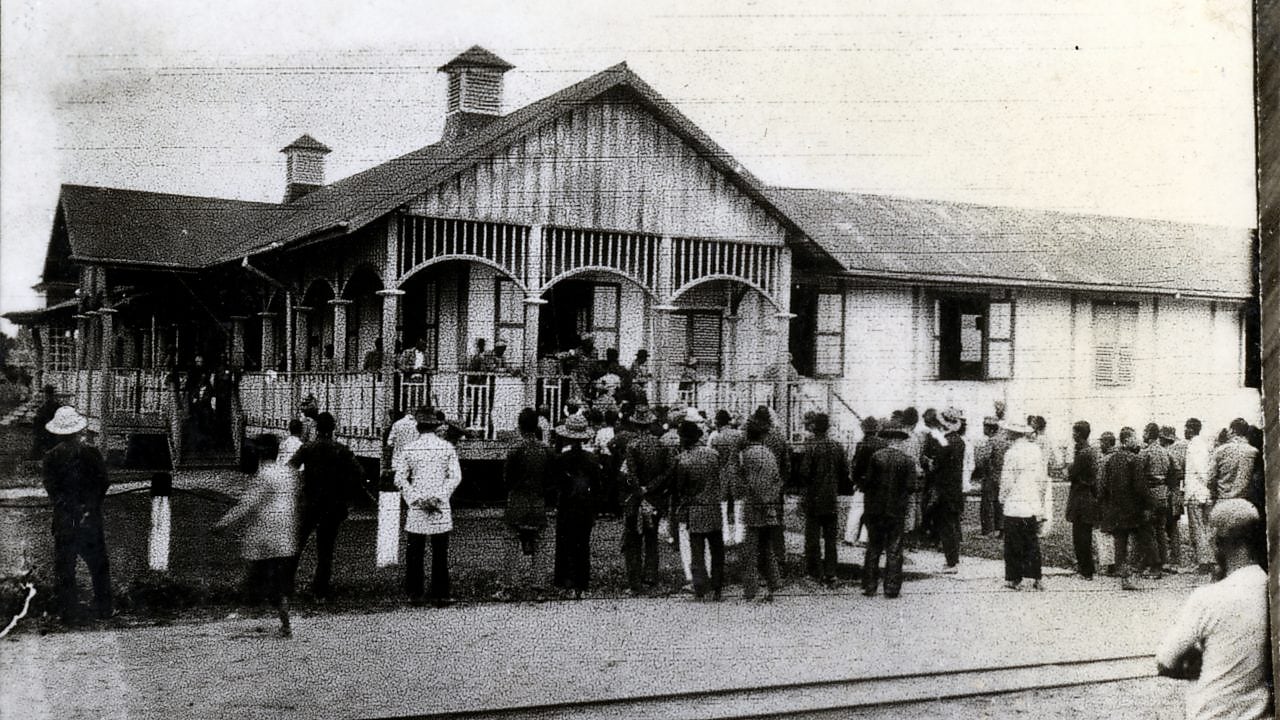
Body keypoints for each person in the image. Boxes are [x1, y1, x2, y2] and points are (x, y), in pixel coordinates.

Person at [1156, 499, 1272, 719]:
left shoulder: (1207, 597)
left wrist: (1195, 661)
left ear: (1219, 540)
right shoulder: (1269, 588)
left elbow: (1165, 660)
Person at [212, 433, 299, 637]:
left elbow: (248, 505)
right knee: (279, 578)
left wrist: (223, 523)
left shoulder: (263, 475)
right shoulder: (288, 473)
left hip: (265, 533)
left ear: (259, 453)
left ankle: (241, 611)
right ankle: (284, 620)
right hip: (285, 532)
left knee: (257, 573)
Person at [41, 406, 112, 623]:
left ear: (57, 432)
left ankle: (68, 611)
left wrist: (69, 508)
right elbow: (103, 482)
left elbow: (52, 489)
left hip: (65, 519)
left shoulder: (51, 457)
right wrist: (89, 506)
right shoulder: (91, 453)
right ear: (78, 429)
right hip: (90, 517)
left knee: (65, 567)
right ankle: (104, 608)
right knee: (98, 564)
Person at [288, 412, 365, 599]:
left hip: (310, 503)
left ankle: (286, 584)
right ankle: (320, 590)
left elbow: (290, 468)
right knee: (325, 550)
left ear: (316, 428)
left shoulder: (308, 448)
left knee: (297, 544)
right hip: (332, 504)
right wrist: (344, 491)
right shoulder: (341, 450)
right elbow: (360, 473)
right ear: (333, 428)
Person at [394, 407, 462, 606]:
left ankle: (415, 592)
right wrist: (439, 497)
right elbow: (455, 477)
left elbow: (400, 479)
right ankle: (440, 593)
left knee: (415, 550)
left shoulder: (410, 449)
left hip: (417, 506)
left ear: (418, 427)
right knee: (440, 551)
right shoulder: (447, 448)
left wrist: (416, 499)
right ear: (435, 426)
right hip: (439, 506)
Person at [859, 419, 918, 598]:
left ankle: (869, 586)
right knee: (894, 549)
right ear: (900, 440)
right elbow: (910, 487)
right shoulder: (907, 461)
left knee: (874, 547)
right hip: (896, 510)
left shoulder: (876, 457)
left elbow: (867, 482)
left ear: (887, 439)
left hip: (875, 509)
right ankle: (892, 587)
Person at [672, 420, 725, 600]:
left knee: (697, 551)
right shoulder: (713, 454)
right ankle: (717, 586)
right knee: (717, 549)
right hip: (714, 507)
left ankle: (700, 587)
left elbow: (680, 488)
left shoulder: (683, 460)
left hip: (695, 509)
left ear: (684, 439)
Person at [551, 414, 601, 599]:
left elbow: (556, 484)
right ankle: (582, 583)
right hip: (585, 507)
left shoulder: (562, 459)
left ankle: (566, 581)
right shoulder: (592, 459)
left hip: (566, 506)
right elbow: (597, 486)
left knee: (565, 544)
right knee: (583, 545)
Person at [1100, 428, 1157, 590]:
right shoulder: (1135, 460)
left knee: (1120, 543)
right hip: (1134, 509)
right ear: (1127, 440)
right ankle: (1146, 569)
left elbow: (1103, 485)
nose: (1137, 440)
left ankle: (1124, 576)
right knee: (1145, 539)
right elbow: (1140, 486)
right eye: (1134, 438)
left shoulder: (1111, 460)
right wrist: (1150, 504)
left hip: (1116, 508)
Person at [733, 419, 784, 601]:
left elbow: (746, 483)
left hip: (754, 505)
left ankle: (752, 589)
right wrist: (770, 499)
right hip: (770, 505)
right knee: (766, 547)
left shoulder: (745, 455)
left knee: (750, 550)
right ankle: (774, 583)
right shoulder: (768, 453)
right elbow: (778, 479)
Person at [618, 406, 667, 593]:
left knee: (633, 541)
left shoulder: (633, 446)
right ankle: (651, 577)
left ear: (635, 425)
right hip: (655, 497)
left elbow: (631, 475)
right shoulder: (661, 445)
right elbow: (667, 471)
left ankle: (635, 582)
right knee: (652, 539)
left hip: (636, 498)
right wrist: (652, 487)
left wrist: (639, 491)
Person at [503, 408, 553, 592]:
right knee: (540, 543)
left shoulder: (515, 450)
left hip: (517, 500)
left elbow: (507, 479)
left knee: (511, 542)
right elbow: (551, 478)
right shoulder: (546, 450)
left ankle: (509, 586)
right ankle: (538, 586)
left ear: (520, 426)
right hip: (538, 501)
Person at [998, 420, 1050, 591]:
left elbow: (1007, 480)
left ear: (1012, 434)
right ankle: (1037, 577)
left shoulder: (1012, 453)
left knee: (1013, 542)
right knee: (1031, 541)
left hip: (1015, 501)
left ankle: (1014, 578)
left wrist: (1002, 498)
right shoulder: (1035, 450)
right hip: (1032, 500)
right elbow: (1041, 477)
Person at [798, 413, 848, 585]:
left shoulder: (811, 446)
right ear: (828, 427)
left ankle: (814, 573)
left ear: (814, 427)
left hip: (814, 496)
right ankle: (831, 573)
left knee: (812, 538)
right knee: (830, 539)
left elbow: (804, 473)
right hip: (831, 497)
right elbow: (844, 473)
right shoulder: (838, 446)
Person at [931, 408, 967, 573]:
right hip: (955, 488)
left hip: (944, 488)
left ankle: (951, 562)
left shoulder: (945, 442)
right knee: (953, 525)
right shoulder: (959, 441)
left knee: (946, 526)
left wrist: (929, 463)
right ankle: (954, 559)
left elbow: (936, 465)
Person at [1065, 420, 1101, 581]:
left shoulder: (1083, 453)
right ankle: (1087, 568)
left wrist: (1070, 467)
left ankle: (1085, 569)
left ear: (1079, 434)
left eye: (1074, 432)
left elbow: (1071, 474)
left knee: (1080, 536)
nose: (1072, 435)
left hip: (1081, 497)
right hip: (1088, 497)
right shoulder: (1090, 451)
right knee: (1084, 534)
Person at [1138, 422, 1174, 576]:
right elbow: (1175, 471)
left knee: (1148, 531)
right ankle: (1164, 562)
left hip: (1150, 493)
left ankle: (1155, 566)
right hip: (1163, 492)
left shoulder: (1145, 453)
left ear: (1148, 434)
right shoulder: (1166, 452)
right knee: (1160, 530)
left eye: (1144, 432)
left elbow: (1139, 474)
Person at [845, 416, 885, 546]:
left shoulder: (861, 444)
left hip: (862, 483)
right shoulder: (883, 444)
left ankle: (850, 537)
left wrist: (856, 480)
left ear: (864, 429)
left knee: (856, 510)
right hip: (877, 483)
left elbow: (857, 465)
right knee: (872, 511)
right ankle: (864, 538)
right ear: (876, 429)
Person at [1182, 418, 1215, 574]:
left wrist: (1204, 484)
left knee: (1198, 528)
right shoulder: (1203, 445)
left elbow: (1200, 469)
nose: (1184, 431)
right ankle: (1210, 559)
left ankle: (1204, 562)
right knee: (1207, 527)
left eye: (1186, 428)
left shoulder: (1194, 446)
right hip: (1205, 493)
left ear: (1191, 429)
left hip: (1196, 492)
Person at [1208, 418, 1258, 502]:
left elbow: (1210, 480)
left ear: (1232, 431)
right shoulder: (1254, 452)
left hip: (1224, 502)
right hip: (1246, 503)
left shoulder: (1220, 451)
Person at [1159, 425, 1187, 572]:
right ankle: (1175, 560)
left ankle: (1170, 561)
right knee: (1173, 528)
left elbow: (1176, 472)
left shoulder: (1168, 452)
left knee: (1166, 527)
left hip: (1169, 493)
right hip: (1175, 493)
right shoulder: (1181, 450)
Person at [971, 416, 1001, 535]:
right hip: (1000, 476)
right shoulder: (1002, 440)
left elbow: (982, 459)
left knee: (987, 504)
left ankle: (987, 529)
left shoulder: (991, 441)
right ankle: (999, 528)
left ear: (990, 429)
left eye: (985, 426)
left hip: (990, 476)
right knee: (998, 504)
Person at [30, 384, 61, 459]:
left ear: (45, 394)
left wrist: (34, 418)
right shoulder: (57, 405)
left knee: (34, 452)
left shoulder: (45, 406)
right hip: (55, 434)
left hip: (45, 434)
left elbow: (38, 421)